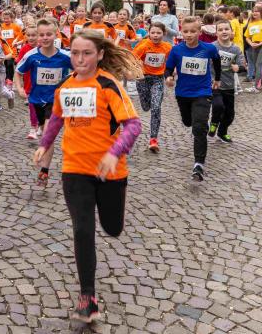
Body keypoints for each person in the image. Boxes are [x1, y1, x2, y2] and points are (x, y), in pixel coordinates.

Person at [32, 29, 142, 323]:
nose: (80, 59)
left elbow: (133, 125)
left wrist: (114, 153)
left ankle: (113, 216)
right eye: (75, 53)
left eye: (87, 53)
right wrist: (44, 144)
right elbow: (57, 118)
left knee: (112, 227)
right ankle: (88, 297)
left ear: (100, 54)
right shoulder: (65, 86)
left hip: (110, 171)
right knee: (82, 230)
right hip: (74, 168)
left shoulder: (108, 85)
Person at [14, 19, 72, 186]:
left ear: (56, 35)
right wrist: (19, 88)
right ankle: (44, 164)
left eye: (49, 34)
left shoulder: (65, 56)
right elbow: (18, 72)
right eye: (42, 35)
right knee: (43, 130)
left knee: (48, 133)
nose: (45, 38)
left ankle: (44, 170)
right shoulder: (31, 55)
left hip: (56, 101)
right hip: (36, 100)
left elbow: (81, 69)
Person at [165, 17, 221, 182]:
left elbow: (216, 61)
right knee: (188, 122)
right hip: (183, 93)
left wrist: (217, 79)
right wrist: (168, 77)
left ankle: (199, 164)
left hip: (202, 92)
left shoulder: (208, 48)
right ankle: (195, 122)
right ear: (181, 32)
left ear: (199, 32)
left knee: (199, 127)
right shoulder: (176, 50)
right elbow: (168, 68)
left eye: (193, 31)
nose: (189, 34)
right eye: (186, 31)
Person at [132, 22, 172, 152]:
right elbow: (132, 59)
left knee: (156, 107)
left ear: (164, 34)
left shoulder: (167, 47)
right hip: (142, 79)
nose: (155, 35)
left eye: (158, 33)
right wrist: (137, 70)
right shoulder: (143, 45)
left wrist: (171, 74)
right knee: (146, 107)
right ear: (149, 33)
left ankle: (153, 139)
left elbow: (172, 62)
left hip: (157, 79)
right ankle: (147, 102)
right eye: (153, 32)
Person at [209, 20, 245, 143]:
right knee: (218, 106)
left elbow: (242, 66)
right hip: (214, 83)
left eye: (226, 29)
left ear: (231, 31)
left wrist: (238, 68)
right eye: (220, 30)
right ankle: (214, 123)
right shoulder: (212, 47)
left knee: (230, 115)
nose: (224, 32)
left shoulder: (236, 49)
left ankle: (222, 132)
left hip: (229, 85)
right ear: (216, 33)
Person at [243, 7, 262, 93]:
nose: (254, 13)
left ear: (261, 13)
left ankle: (256, 87)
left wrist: (260, 44)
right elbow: (247, 37)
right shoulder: (251, 23)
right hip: (254, 46)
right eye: (253, 11)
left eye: (257, 11)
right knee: (258, 66)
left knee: (258, 66)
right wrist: (251, 44)